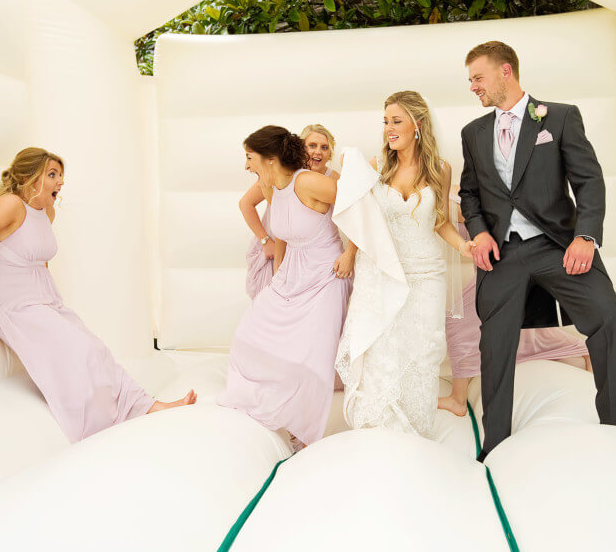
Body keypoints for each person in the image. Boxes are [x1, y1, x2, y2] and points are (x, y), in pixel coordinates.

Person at [0, 147, 196, 443]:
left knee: (96, 350)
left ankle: (149, 407)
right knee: (81, 352)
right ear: (29, 178)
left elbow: (39, 258)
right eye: (52, 175)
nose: (60, 182)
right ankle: (97, 430)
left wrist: (54, 303)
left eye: (60, 175)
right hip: (15, 306)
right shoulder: (10, 205)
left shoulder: (46, 212)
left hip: (45, 299)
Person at [459, 41, 616, 461]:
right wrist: (478, 232)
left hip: (558, 244)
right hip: (504, 255)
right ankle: (494, 445)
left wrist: (585, 237)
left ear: (506, 72)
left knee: (608, 319)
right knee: (495, 345)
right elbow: (469, 194)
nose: (473, 87)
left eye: (478, 78)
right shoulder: (473, 133)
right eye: (470, 81)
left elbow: (589, 181)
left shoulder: (561, 117)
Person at [334, 91, 473, 439]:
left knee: (423, 353)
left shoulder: (441, 169)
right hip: (382, 274)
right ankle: (377, 430)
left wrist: (466, 246)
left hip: (427, 275)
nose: (388, 129)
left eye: (396, 121)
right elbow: (360, 218)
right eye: (385, 122)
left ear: (418, 125)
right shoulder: (375, 168)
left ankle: (415, 432)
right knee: (383, 352)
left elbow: (441, 223)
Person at [219, 126, 352, 450]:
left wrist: (351, 252)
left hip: (325, 275)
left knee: (311, 357)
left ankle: (305, 434)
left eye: (250, 158)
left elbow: (357, 203)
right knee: (247, 337)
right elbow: (282, 235)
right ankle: (266, 408)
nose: (247, 165)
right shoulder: (271, 186)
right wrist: (278, 275)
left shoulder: (306, 181)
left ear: (270, 159)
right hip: (291, 274)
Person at [437, 191, 591, 417]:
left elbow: (456, 212)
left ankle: (458, 400)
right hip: (494, 275)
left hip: (502, 275)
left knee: (459, 325)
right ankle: (588, 351)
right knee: (529, 334)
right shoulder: (465, 194)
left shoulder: (479, 201)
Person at [240, 124, 340, 299]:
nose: (318, 152)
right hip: (278, 243)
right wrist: (265, 240)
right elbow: (246, 204)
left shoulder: (332, 179)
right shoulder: (278, 175)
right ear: (301, 148)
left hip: (314, 257)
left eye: (324, 147)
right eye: (312, 146)